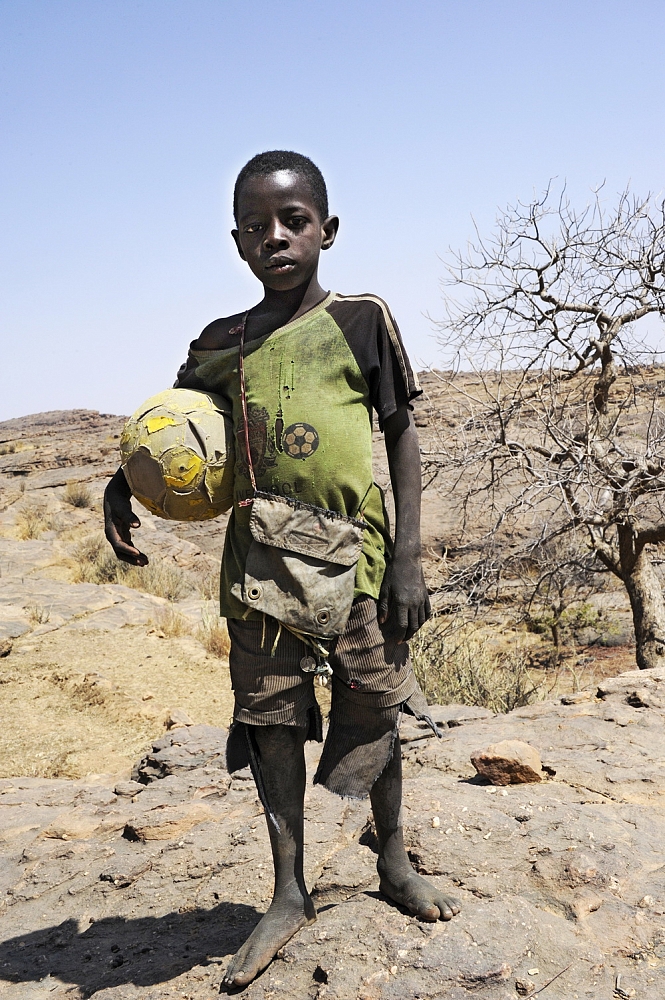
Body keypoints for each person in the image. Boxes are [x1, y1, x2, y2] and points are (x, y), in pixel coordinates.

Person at [104, 150, 460, 989]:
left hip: (357, 563)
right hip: (259, 565)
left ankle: (394, 862)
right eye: (257, 226)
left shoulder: (361, 319)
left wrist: (408, 556)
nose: (277, 236)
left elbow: (400, 430)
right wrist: (125, 481)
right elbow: (177, 427)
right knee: (269, 721)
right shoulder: (220, 343)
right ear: (236, 242)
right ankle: (288, 890)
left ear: (326, 230)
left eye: (294, 220)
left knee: (373, 705)